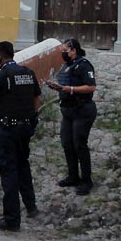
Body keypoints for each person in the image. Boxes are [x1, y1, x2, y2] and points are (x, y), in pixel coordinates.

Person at [0, 41, 42, 232]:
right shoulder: (28, 73)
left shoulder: (1, 74)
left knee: (9, 172)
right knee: (23, 165)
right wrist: (32, 116)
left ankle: (12, 219)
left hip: (8, 129)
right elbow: (37, 97)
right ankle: (31, 207)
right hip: (26, 127)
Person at [46, 38, 97, 196]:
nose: (63, 53)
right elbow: (65, 84)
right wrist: (58, 87)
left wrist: (70, 89)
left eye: (65, 51)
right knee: (67, 143)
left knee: (79, 145)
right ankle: (73, 175)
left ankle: (86, 180)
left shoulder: (83, 65)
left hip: (82, 110)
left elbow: (91, 86)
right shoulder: (66, 66)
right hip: (67, 110)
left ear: (74, 50)